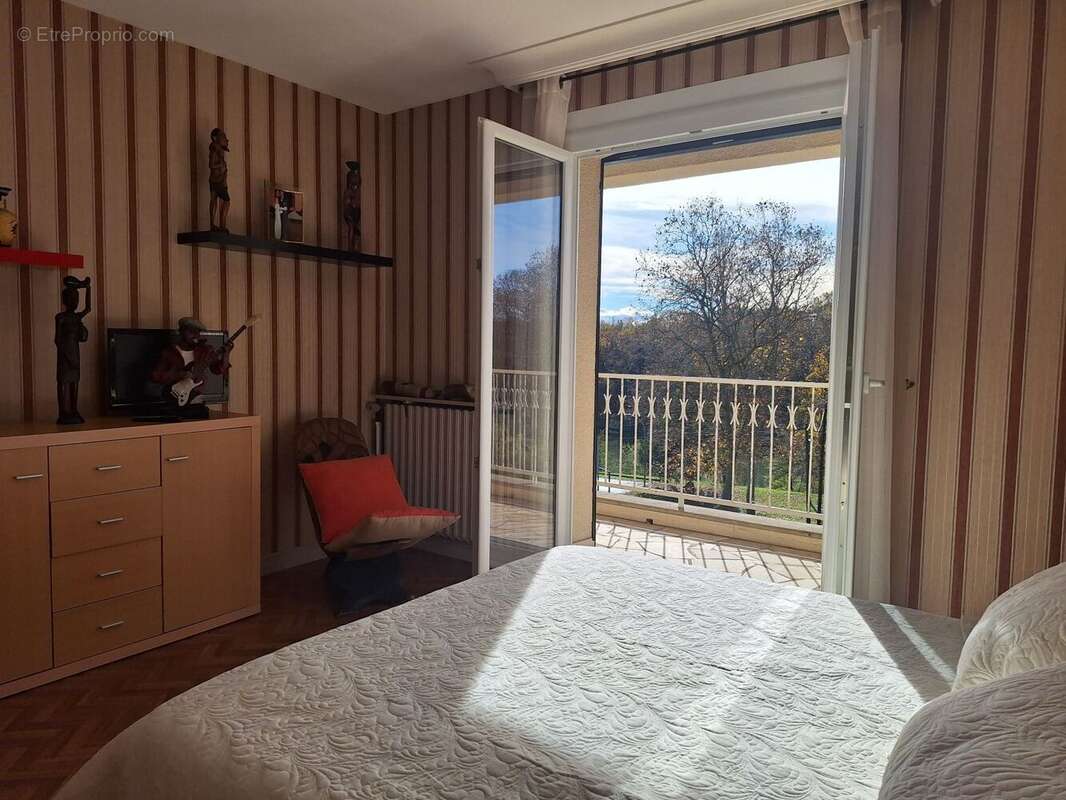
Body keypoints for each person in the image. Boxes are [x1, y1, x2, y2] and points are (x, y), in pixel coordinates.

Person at [151, 317, 232, 409]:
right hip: (170, 398)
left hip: (196, 399)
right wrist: (180, 374)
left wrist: (226, 354)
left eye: (197, 332)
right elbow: (156, 376)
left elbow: (218, 370)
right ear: (181, 332)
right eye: (191, 332)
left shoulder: (206, 350)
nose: (195, 335)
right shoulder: (169, 352)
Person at [55, 276, 91, 424]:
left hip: (75, 355)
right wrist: (67, 356)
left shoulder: (77, 318)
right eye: (71, 299)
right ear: (65, 301)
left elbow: (88, 308)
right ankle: (63, 412)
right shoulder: (60, 318)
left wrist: (87, 288)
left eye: (76, 299)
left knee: (74, 383)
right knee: (63, 383)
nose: (74, 303)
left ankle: (74, 410)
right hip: (65, 356)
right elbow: (57, 340)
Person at [209, 128, 230, 232]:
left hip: (219, 180)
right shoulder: (214, 150)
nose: (226, 139)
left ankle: (218, 225)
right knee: (225, 201)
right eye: (223, 137)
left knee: (216, 200)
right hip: (218, 180)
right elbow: (211, 165)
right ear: (216, 138)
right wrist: (221, 164)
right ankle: (218, 225)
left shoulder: (218, 150)